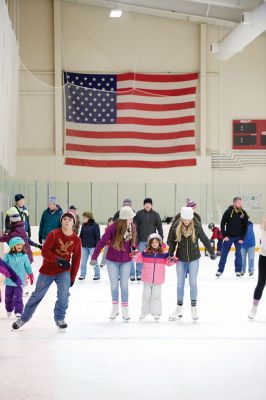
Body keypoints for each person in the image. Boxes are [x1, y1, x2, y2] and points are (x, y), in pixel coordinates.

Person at [12, 212, 81, 331]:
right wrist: (57, 260)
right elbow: (44, 251)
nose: (67, 221)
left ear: (73, 223)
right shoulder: (54, 234)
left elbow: (76, 260)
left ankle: (60, 318)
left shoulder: (76, 240)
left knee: (64, 296)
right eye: (64, 219)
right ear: (61, 221)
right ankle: (23, 318)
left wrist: (72, 277)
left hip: (63, 272)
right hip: (47, 270)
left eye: (70, 219)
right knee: (37, 295)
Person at [168, 207, 216, 321]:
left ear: (191, 218)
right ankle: (179, 307)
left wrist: (212, 252)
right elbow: (172, 242)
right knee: (180, 283)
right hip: (180, 258)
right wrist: (170, 254)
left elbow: (204, 239)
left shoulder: (197, 226)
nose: (185, 222)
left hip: (194, 258)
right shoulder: (177, 226)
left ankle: (193, 308)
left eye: (188, 220)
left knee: (193, 282)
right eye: (184, 219)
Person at [90, 206, 136, 321]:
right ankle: (115, 308)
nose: (132, 220)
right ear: (125, 218)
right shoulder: (112, 228)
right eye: (130, 218)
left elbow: (133, 243)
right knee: (114, 285)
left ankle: (125, 309)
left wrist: (134, 250)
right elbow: (102, 242)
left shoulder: (132, 227)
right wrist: (94, 257)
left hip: (126, 260)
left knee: (124, 285)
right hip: (112, 260)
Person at [134, 233, 176, 322]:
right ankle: (145, 311)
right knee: (146, 296)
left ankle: (156, 312)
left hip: (158, 280)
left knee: (156, 296)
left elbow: (169, 263)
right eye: (152, 242)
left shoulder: (164, 255)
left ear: (159, 243)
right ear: (150, 244)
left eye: (156, 242)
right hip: (147, 279)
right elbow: (137, 259)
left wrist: (173, 260)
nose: (154, 244)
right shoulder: (145, 253)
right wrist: (135, 254)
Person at [216, 197, 248, 278]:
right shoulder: (228, 212)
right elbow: (222, 224)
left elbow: (245, 227)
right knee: (224, 254)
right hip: (228, 237)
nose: (241, 204)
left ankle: (238, 270)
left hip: (238, 238)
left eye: (241, 203)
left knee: (238, 254)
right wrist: (224, 236)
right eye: (239, 203)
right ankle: (220, 270)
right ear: (234, 203)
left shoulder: (243, 213)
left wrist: (242, 238)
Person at [3, 237, 33, 318]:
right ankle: (9, 309)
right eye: (17, 245)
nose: (20, 246)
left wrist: (31, 275)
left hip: (19, 281)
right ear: (13, 246)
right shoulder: (8, 256)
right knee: (8, 298)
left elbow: (28, 267)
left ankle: (18, 311)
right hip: (9, 281)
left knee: (18, 297)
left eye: (21, 245)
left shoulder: (24, 256)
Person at [134, 198, 163, 280]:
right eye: (146, 204)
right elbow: (134, 227)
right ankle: (139, 273)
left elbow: (160, 228)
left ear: (151, 205)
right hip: (141, 240)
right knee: (140, 257)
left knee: (149, 258)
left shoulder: (156, 215)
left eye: (149, 204)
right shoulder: (139, 214)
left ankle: (148, 273)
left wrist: (161, 239)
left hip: (152, 241)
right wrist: (135, 239)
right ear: (144, 205)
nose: (147, 205)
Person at [113, 199, 136, 281]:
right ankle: (119, 274)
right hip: (120, 239)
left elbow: (136, 226)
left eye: (128, 205)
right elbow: (114, 226)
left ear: (131, 205)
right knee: (119, 257)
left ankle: (132, 274)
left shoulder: (134, 214)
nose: (127, 206)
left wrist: (134, 238)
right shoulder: (118, 213)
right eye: (125, 204)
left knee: (131, 256)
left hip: (130, 238)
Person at [248, 217, 266, 319]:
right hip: (264, 257)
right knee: (261, 283)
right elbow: (263, 244)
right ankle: (254, 308)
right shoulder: (264, 225)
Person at [79, 211, 101, 281]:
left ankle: (97, 275)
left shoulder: (95, 225)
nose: (83, 219)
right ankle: (82, 275)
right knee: (83, 262)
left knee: (94, 261)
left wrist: (97, 247)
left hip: (93, 247)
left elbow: (97, 237)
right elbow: (81, 235)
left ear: (89, 217)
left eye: (84, 217)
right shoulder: (83, 225)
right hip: (84, 246)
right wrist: (80, 242)